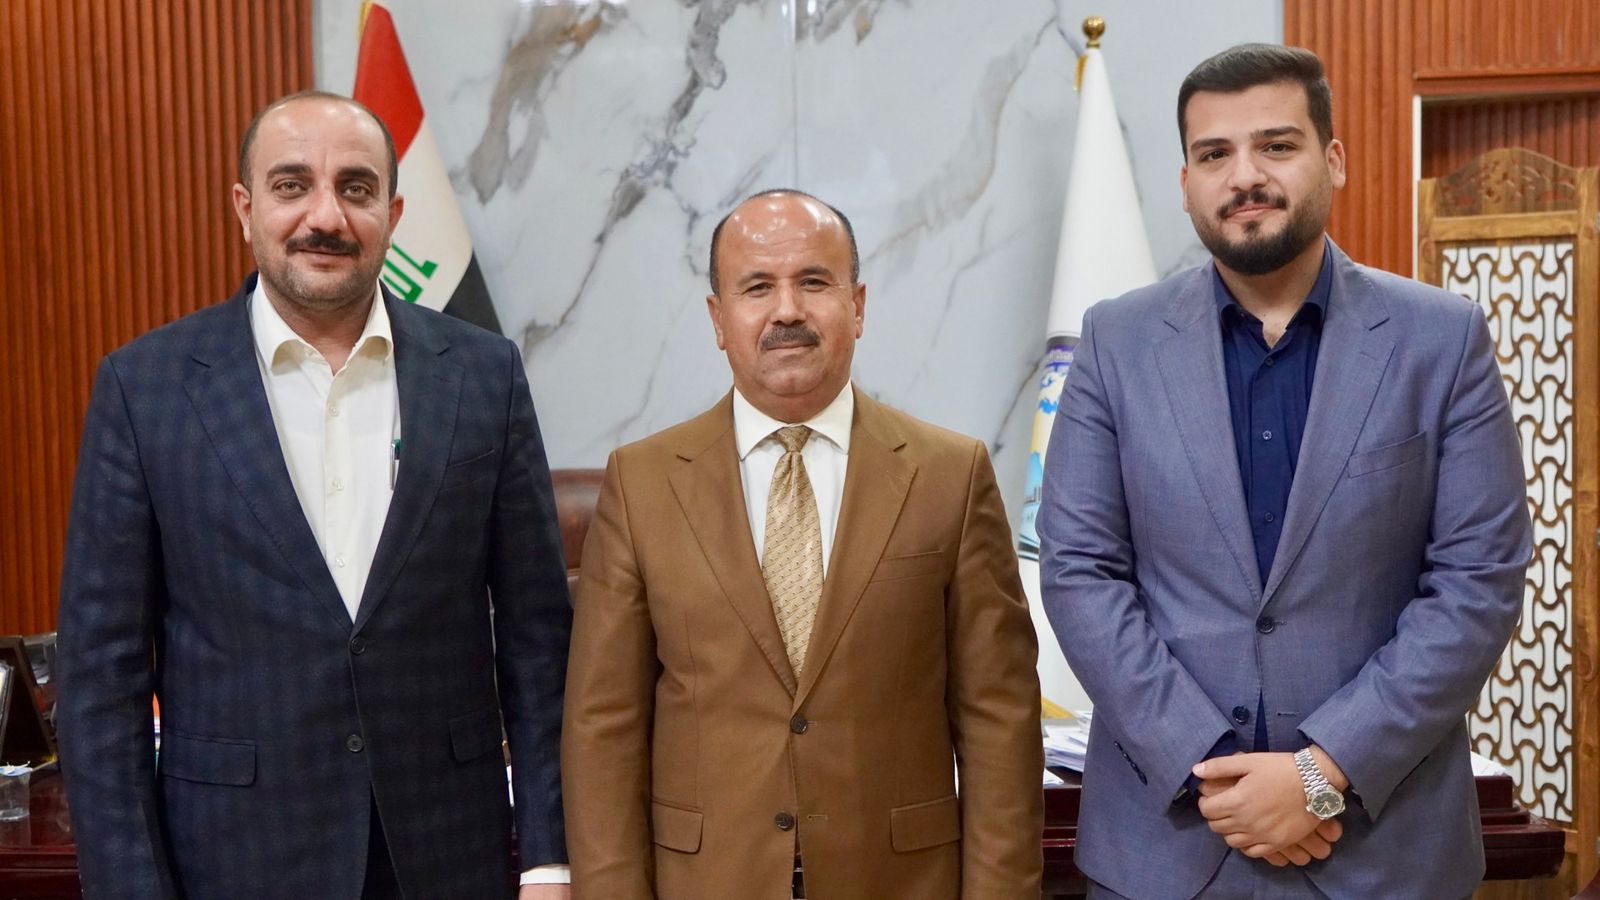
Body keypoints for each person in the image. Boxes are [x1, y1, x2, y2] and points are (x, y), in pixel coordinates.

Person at [1037, 43, 1531, 899]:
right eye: (1214, 154)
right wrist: (1215, 774)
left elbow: (1477, 582)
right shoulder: (1115, 342)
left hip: (1384, 849)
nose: (1245, 176)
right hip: (1170, 845)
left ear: (1332, 159)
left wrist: (1318, 774)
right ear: (1185, 181)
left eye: (1276, 145)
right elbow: (1081, 570)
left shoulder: (1441, 339)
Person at [56, 91, 572, 899]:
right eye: (291, 185)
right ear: (245, 208)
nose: (325, 216)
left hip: (446, 854)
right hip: (233, 862)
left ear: (393, 215)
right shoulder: (145, 388)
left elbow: (539, 643)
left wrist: (548, 860)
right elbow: (101, 678)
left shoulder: (483, 375)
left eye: (356, 188)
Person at [561, 189, 1044, 899]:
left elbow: (999, 717)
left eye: (814, 282)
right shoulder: (642, 483)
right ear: (718, 318)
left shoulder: (951, 474)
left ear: (858, 305)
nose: (786, 310)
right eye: (757, 287)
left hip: (899, 881)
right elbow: (603, 728)